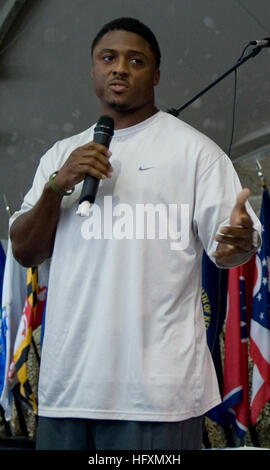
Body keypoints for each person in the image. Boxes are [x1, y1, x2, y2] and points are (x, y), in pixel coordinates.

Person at [10, 17, 261, 450]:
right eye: (108, 58)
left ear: (156, 74)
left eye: (135, 60)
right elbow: (25, 251)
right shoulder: (59, 155)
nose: (120, 69)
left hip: (156, 394)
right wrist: (57, 184)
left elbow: (231, 245)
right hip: (68, 388)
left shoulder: (194, 152)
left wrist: (238, 241)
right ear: (92, 70)